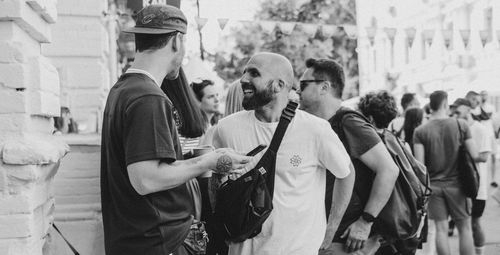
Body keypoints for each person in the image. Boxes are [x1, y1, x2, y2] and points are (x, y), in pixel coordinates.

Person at [100, 5, 253, 255]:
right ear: (176, 41)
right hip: (159, 241)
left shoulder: (122, 89)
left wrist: (204, 159)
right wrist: (209, 162)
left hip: (137, 239)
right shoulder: (148, 96)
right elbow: (146, 178)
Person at [212, 52, 355, 255]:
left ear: (279, 85)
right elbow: (216, 183)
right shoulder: (226, 128)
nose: (243, 79)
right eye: (244, 73)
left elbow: (346, 173)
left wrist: (331, 229)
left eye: (254, 73)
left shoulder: (315, 129)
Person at [298, 58, 399, 255]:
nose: (298, 91)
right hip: (325, 234)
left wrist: (365, 222)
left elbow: (388, 170)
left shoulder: (348, 121)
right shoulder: (319, 124)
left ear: (324, 87)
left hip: (346, 238)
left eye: (303, 85)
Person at [413, 91, 478, 255]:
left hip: (434, 187)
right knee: (465, 228)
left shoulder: (420, 131)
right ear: (445, 104)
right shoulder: (460, 125)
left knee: (441, 230)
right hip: (458, 186)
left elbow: (420, 166)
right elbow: (475, 155)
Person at [451, 98, 491, 255]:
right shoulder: (455, 127)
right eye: (453, 112)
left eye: (458, 111)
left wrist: (465, 153)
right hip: (458, 184)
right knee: (464, 225)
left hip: (477, 185)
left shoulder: (480, 129)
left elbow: (485, 156)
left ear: (468, 110)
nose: (455, 114)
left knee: (475, 224)